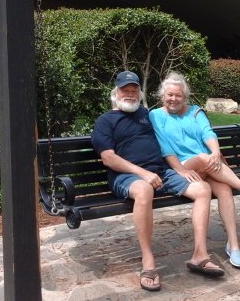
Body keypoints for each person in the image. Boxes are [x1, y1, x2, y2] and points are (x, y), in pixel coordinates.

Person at [91, 70, 225, 292]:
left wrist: (182, 167)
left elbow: (171, 133)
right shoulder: (105, 120)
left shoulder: (146, 115)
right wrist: (142, 173)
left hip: (160, 172)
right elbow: (108, 158)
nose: (130, 94)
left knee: (202, 189)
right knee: (144, 190)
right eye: (125, 90)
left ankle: (199, 255)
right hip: (127, 176)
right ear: (115, 93)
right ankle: (148, 262)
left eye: (134, 90)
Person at [149, 72, 240, 269]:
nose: (173, 99)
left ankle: (233, 245)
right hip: (180, 166)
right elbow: (164, 147)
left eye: (178, 95)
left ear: (185, 97)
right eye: (170, 95)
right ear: (162, 95)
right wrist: (181, 170)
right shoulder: (156, 116)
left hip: (207, 167)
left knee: (224, 190)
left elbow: (207, 133)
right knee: (203, 157)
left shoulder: (195, 112)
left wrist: (216, 152)